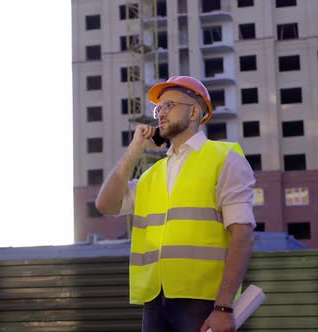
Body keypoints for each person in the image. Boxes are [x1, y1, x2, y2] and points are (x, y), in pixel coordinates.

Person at [95, 76, 256, 332]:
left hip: (202, 301)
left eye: (169, 105)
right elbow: (105, 205)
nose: (160, 113)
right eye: (158, 108)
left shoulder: (225, 158)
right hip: (154, 301)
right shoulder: (152, 174)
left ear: (194, 111)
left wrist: (223, 307)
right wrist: (134, 149)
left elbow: (243, 235)